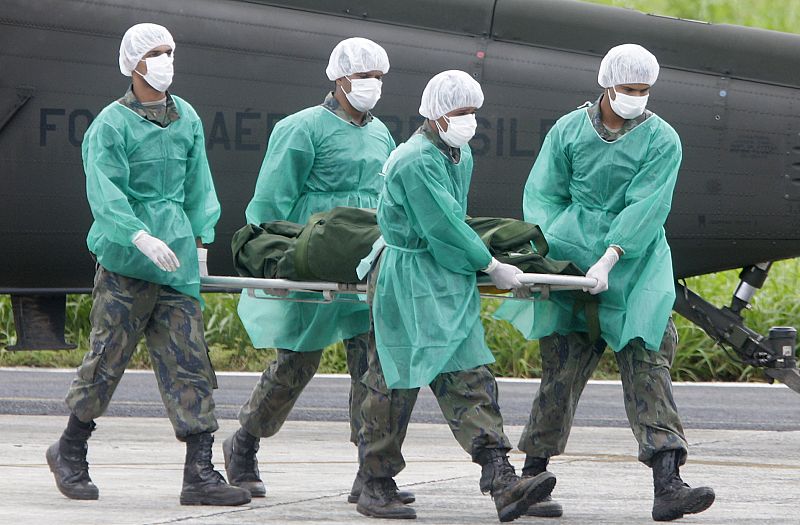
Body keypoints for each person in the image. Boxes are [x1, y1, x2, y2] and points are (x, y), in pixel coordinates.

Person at [496, 44, 715, 521]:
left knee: (648, 361)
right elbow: (542, 194)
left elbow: (646, 206)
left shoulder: (662, 140)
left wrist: (613, 254)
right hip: (573, 262)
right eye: (629, 89)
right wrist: (556, 254)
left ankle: (668, 481)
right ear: (607, 84)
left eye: (645, 90)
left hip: (636, 266)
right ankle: (533, 476)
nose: (637, 97)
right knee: (561, 369)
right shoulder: (568, 131)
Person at [46, 24, 250, 506]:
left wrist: (200, 242)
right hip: (125, 262)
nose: (166, 60)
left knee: (190, 362)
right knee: (106, 361)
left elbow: (200, 185)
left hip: (175, 261)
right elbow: (105, 191)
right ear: (134, 63)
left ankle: (199, 472)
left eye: (170, 51)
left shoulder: (187, 117)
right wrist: (136, 234)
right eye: (156, 53)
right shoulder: (111, 125)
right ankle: (70, 449)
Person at [355, 70, 556, 522]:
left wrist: (475, 261)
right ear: (434, 113)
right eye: (459, 112)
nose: (468, 120)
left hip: (444, 277)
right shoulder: (414, 161)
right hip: (407, 279)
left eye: (472, 112)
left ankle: (501, 478)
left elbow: (453, 223)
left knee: (469, 374)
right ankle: (374, 482)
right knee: (394, 381)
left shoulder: (457, 154)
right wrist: (489, 265)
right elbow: (442, 225)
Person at [223, 37, 410, 504]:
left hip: (367, 258)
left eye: (379, 78)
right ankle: (244, 442)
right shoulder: (301, 128)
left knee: (371, 365)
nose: (373, 85)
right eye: (365, 76)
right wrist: (275, 261)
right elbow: (269, 203)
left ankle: (371, 471)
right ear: (340, 77)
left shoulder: (381, 133)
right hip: (313, 257)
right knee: (296, 361)